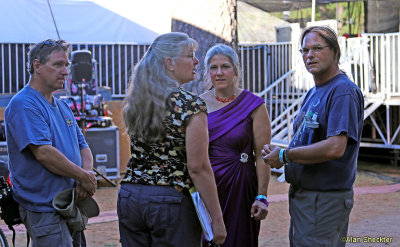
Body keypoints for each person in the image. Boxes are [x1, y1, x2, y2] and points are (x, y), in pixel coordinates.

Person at [118, 32, 226, 246]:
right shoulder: (190, 105)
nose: (196, 61)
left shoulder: (138, 100)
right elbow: (199, 168)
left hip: (130, 195)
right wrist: (218, 219)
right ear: (170, 63)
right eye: (190, 55)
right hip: (169, 201)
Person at [262, 26, 364, 247]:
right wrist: (278, 150)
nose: (310, 55)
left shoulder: (342, 91)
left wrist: (285, 155)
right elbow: (311, 139)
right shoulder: (315, 91)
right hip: (306, 198)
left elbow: (335, 147)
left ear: (335, 50)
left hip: (324, 201)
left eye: (317, 48)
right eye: (305, 50)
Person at [4, 39, 97, 246]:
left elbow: (83, 146)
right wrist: (82, 176)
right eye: (58, 65)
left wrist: (86, 176)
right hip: (44, 208)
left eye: (66, 65)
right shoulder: (24, 104)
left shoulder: (63, 106)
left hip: (69, 202)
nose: (65, 72)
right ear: (37, 66)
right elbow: (43, 153)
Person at [200, 43, 271, 247]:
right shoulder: (198, 105)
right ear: (208, 72)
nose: (219, 73)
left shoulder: (254, 105)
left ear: (236, 70)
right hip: (207, 187)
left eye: (225, 66)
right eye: (213, 68)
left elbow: (262, 155)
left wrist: (262, 197)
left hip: (241, 190)